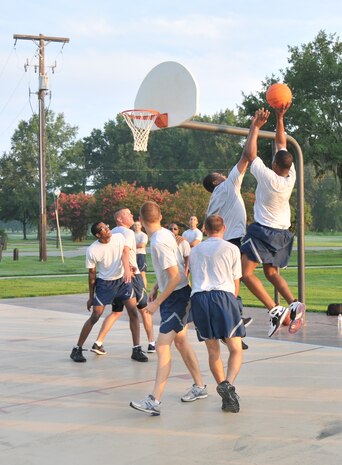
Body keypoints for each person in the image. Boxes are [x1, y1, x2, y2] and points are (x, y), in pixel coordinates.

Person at [130, 201, 207, 416]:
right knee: (181, 342)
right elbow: (175, 269)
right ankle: (200, 386)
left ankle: (154, 400)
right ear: (161, 216)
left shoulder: (158, 242)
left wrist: (156, 303)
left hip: (176, 298)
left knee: (163, 347)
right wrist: (156, 285)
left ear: (141, 219)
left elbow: (174, 276)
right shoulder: (165, 234)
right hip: (175, 294)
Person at [240, 105, 306, 337]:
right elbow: (282, 144)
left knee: (245, 273)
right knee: (270, 273)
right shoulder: (291, 175)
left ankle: (275, 310)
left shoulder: (269, 177)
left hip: (264, 232)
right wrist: (280, 117)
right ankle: (294, 302)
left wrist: (254, 127)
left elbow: (250, 154)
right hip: (283, 233)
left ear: (276, 166)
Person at [202, 126, 257, 347]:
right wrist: (254, 128)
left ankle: (233, 326)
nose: (225, 175)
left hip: (221, 243)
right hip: (232, 241)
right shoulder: (226, 186)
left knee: (229, 283)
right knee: (237, 280)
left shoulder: (214, 199)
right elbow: (246, 157)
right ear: (217, 181)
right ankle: (233, 323)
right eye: (221, 175)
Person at [189, 215, 245, 413]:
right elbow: (236, 280)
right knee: (236, 348)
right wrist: (232, 304)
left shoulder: (194, 250)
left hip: (200, 299)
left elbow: (191, 275)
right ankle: (228, 385)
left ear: (204, 228)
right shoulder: (232, 249)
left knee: (213, 351)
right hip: (223, 297)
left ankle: (223, 385)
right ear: (225, 228)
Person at [91, 208, 156, 360]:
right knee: (142, 310)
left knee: (117, 312)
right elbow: (125, 251)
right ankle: (150, 343)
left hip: (118, 278)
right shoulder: (126, 233)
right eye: (128, 214)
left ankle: (98, 342)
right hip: (131, 276)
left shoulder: (113, 231)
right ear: (120, 219)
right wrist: (128, 271)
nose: (132, 215)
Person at [70, 222, 134, 363]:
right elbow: (92, 275)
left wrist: (129, 268)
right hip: (105, 284)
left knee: (133, 312)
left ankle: (137, 349)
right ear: (98, 234)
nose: (108, 229)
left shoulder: (118, 237)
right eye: (104, 228)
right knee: (95, 316)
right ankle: (77, 349)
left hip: (122, 282)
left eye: (107, 226)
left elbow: (124, 253)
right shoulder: (93, 250)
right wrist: (91, 297)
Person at [132, 220, 148, 289]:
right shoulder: (131, 234)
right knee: (133, 273)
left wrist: (131, 246)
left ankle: (144, 289)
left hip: (140, 255)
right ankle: (136, 288)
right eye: (135, 225)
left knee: (142, 273)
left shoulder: (143, 235)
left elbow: (142, 245)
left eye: (138, 225)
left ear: (141, 226)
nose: (137, 226)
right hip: (132, 255)